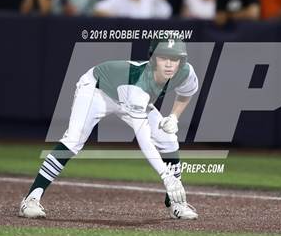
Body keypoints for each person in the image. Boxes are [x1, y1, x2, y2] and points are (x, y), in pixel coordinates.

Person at [19, 38, 199, 220]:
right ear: (153, 59)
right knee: (74, 139)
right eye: (163, 58)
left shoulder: (185, 72)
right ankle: (31, 198)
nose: (169, 64)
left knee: (168, 139)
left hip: (128, 95)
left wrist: (174, 117)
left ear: (181, 62)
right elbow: (143, 139)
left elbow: (187, 92)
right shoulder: (139, 85)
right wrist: (165, 175)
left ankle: (176, 202)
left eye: (174, 59)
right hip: (97, 89)